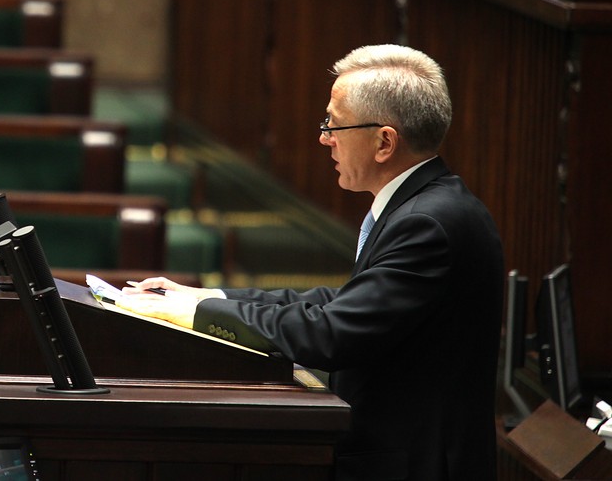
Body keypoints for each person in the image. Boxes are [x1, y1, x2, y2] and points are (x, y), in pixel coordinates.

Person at [119, 44, 504, 481]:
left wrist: (195, 315)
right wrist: (210, 295)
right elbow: (339, 303)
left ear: (384, 142)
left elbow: (332, 333)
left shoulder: (428, 222)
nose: (324, 137)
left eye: (334, 124)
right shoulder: (427, 206)